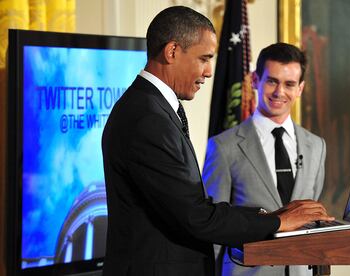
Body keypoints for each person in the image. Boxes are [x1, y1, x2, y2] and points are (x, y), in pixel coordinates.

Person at [102, 7, 333, 276]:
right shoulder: (146, 117)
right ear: (172, 51)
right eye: (204, 58)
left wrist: (274, 217)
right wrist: (276, 221)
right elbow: (196, 216)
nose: (210, 71)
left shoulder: (153, 107)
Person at [202, 42, 326, 276]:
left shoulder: (317, 146)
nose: (279, 92)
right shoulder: (223, 147)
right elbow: (211, 228)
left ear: (300, 88)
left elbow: (312, 218)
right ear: (254, 80)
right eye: (272, 81)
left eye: (289, 84)